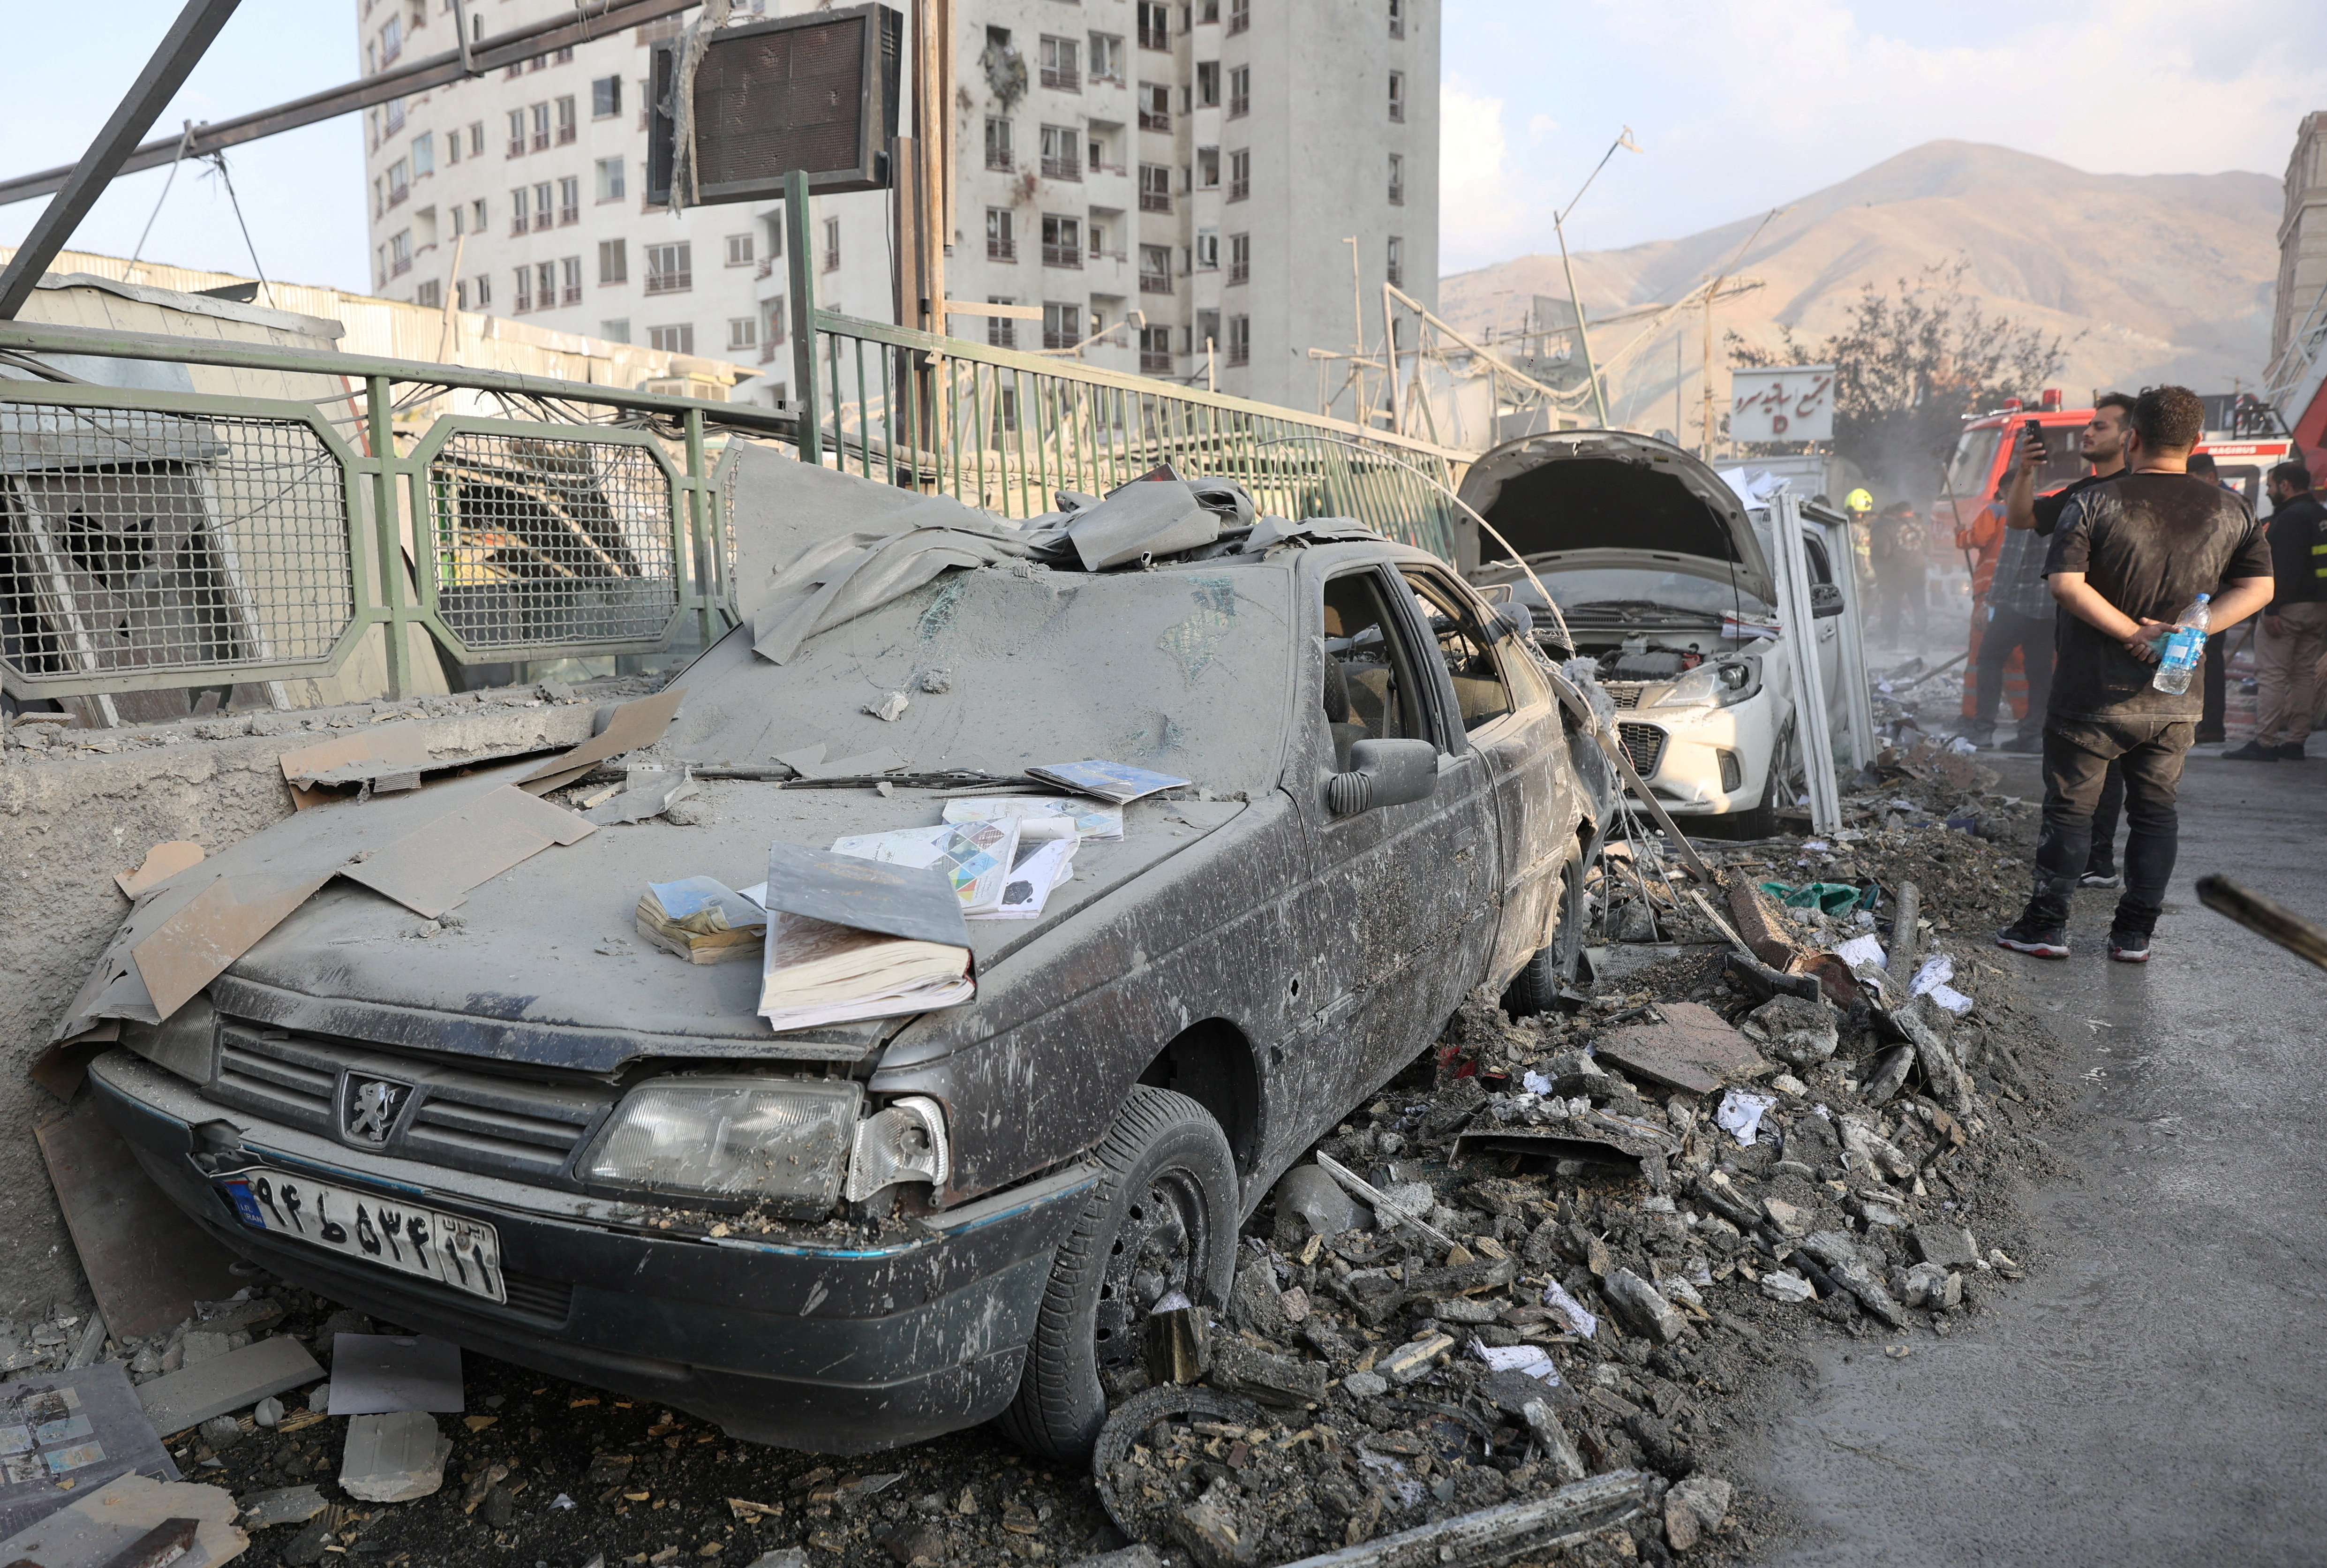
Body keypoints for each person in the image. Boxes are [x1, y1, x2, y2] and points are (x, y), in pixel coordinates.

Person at [1996, 385, 2274, 964]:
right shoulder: (2232, 508)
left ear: (2134, 437)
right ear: (2197, 441)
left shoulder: (2094, 500)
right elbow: (2259, 588)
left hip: (2091, 694)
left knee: (2071, 808)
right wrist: (2187, 633)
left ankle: (2046, 925)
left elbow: (2066, 584)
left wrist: (2132, 632)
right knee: (2155, 810)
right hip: (2174, 696)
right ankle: (2133, 935)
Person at [2007, 394, 2135, 879]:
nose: (2087, 433)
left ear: (2130, 435)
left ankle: (2083, 866)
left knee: (2093, 768)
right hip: (2084, 648)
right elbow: (2020, 518)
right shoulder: (2081, 492)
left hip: (2118, 651)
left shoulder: (2135, 492)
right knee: (2100, 765)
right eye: (2088, 424)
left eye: (2099, 426)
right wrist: (2024, 472)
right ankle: (2095, 860)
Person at [2223, 460, 2327, 760]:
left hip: (2288, 608)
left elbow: (2285, 568)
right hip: (2317, 607)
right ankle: (2296, 742)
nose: (2268, 492)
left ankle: (2266, 743)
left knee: (2272, 675)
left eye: (2270, 486)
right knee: (2304, 675)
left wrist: (2272, 609)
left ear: (2285, 485)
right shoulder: (2320, 515)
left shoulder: (2292, 518)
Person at [2186, 452, 2232, 742]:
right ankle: (2207, 722)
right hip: (2212, 594)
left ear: (2211, 478)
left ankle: (2212, 724)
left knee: (2209, 658)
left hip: (2219, 596)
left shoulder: (2227, 506)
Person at [1869, 500, 1928, 645]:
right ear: (1911, 512)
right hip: (1918, 575)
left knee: (1892, 607)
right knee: (1919, 607)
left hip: (1897, 576)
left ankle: (1892, 641)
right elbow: (1929, 551)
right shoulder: (1923, 528)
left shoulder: (1891, 528)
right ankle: (1921, 637)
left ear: (1897, 514)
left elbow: (1884, 552)